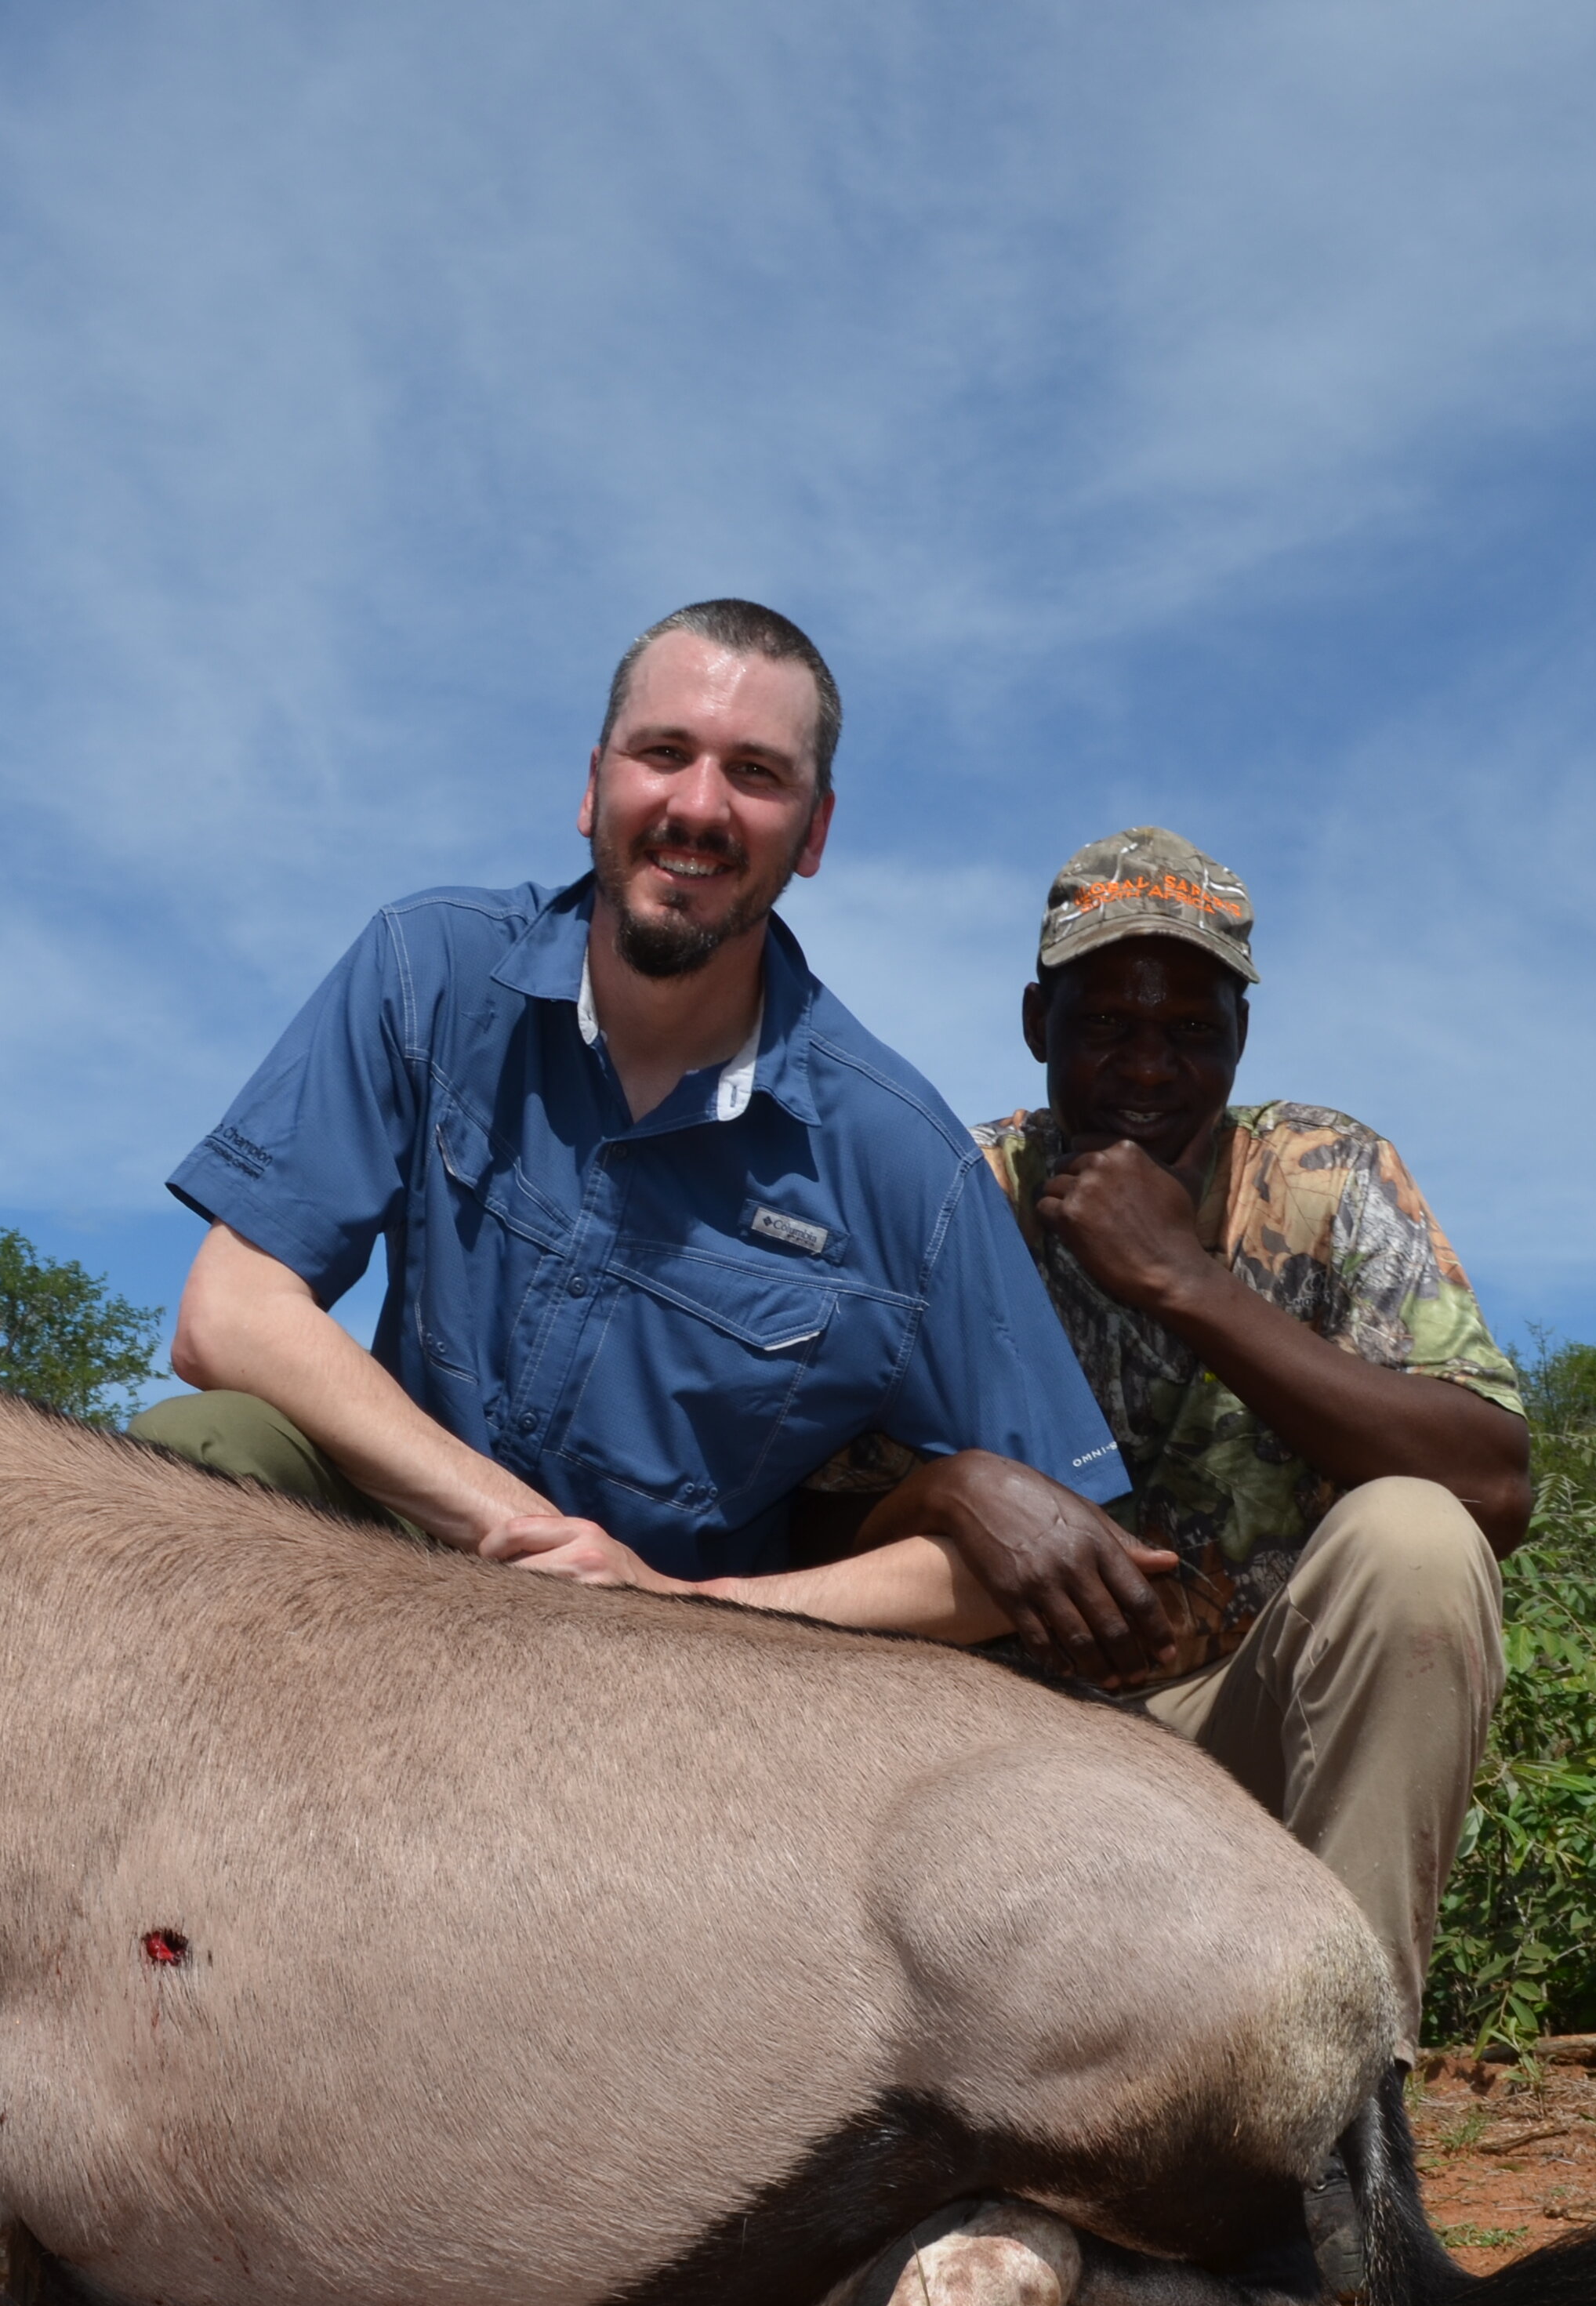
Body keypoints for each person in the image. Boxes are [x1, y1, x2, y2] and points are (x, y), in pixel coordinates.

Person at [136, 598, 1129, 1626]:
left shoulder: (904, 1162)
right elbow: (230, 1315)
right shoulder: (428, 968)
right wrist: (528, 1543)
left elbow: (1055, 1544)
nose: (699, 807)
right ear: (594, 784)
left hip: (673, 1674)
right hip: (394, 1556)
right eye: (664, 752)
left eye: (756, 773)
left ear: (815, 830)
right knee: (208, 1446)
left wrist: (680, 1603)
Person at [803, 829, 1532, 2025]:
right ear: (1039, 1023)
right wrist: (949, 1490)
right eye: (1107, 1026)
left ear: (1240, 1037)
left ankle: (1340, 2097)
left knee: (1415, 1538)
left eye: (1192, 1032)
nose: (1148, 1070)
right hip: (996, 1765)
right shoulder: (951, 1200)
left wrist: (1187, 1282)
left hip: (1247, 1738)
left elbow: (1494, 1488)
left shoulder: (1324, 1175)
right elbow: (798, 1532)